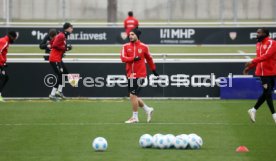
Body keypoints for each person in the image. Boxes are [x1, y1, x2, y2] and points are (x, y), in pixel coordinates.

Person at [120, 28, 159, 123]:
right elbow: (123, 58)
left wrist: (153, 70)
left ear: (137, 35)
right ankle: (147, 109)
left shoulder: (144, 47)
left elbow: (149, 59)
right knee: (133, 96)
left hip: (140, 75)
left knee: (133, 95)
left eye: (132, 34)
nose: (130, 36)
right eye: (130, 34)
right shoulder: (125, 46)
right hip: (130, 75)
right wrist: (133, 58)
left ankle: (135, 117)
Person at [243, 28, 276, 123]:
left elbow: (267, 56)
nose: (257, 34)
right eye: (257, 33)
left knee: (266, 93)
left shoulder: (271, 43)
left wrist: (252, 62)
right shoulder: (258, 44)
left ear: (265, 34)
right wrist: (249, 68)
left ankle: (253, 110)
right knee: (268, 93)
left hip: (272, 71)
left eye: (259, 33)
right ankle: (274, 115)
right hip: (262, 73)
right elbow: (259, 58)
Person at [48, 22, 73, 101]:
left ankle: (59, 91)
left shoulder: (63, 36)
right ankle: (52, 94)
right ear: (67, 28)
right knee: (60, 75)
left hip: (58, 58)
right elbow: (54, 45)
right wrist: (65, 48)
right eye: (71, 28)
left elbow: (54, 44)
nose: (72, 29)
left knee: (65, 73)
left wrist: (66, 48)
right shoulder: (61, 35)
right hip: (54, 58)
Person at [0, 31, 18, 102]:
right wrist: (2, 63)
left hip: (1, 63)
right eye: (14, 38)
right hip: (0, 63)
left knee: (4, 78)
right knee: (4, 78)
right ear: (11, 37)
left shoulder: (5, 41)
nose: (14, 40)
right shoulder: (4, 41)